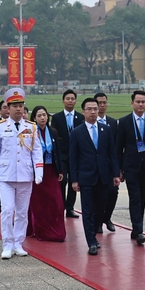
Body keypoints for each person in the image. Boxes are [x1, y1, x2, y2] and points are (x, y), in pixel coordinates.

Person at [0, 88, 43, 259]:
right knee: (8, 210)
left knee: (22, 212)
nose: (18, 109)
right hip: (5, 176)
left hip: (25, 175)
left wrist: (38, 171)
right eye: (14, 106)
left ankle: (18, 243)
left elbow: (37, 152)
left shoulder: (31, 127)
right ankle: (7, 244)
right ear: (7, 108)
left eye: (21, 106)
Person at [69, 97, 120, 256]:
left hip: (104, 176)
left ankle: (96, 230)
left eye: (95, 109)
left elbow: (112, 153)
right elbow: (73, 157)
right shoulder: (77, 132)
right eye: (89, 109)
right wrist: (75, 179)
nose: (93, 112)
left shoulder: (106, 129)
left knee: (100, 208)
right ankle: (91, 240)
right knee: (88, 210)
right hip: (86, 177)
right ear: (83, 111)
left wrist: (115, 173)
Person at [116, 90, 145, 246]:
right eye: (138, 102)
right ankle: (139, 230)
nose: (141, 105)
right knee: (134, 198)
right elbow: (118, 147)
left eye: (143, 102)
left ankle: (136, 228)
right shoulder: (124, 122)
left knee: (142, 198)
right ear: (132, 103)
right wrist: (119, 169)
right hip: (130, 166)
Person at [27, 106, 66, 242]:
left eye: (44, 115)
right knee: (39, 202)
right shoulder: (31, 132)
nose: (43, 118)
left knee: (56, 202)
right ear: (34, 118)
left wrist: (60, 170)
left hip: (51, 171)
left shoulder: (53, 131)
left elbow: (57, 152)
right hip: (37, 172)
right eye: (39, 116)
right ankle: (40, 230)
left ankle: (56, 230)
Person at [51, 89, 84, 218]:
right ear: (63, 101)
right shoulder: (57, 117)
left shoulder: (80, 117)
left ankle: (70, 207)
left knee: (74, 182)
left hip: (76, 155)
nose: (70, 101)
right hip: (62, 155)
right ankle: (61, 206)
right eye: (68, 98)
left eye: (72, 99)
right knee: (62, 181)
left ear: (75, 101)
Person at [94, 92, 119, 234]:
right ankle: (97, 222)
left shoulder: (113, 123)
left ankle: (106, 218)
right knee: (98, 195)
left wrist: (117, 169)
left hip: (110, 166)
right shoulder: (89, 123)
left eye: (104, 103)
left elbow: (116, 147)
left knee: (113, 193)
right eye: (99, 103)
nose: (102, 106)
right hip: (94, 166)